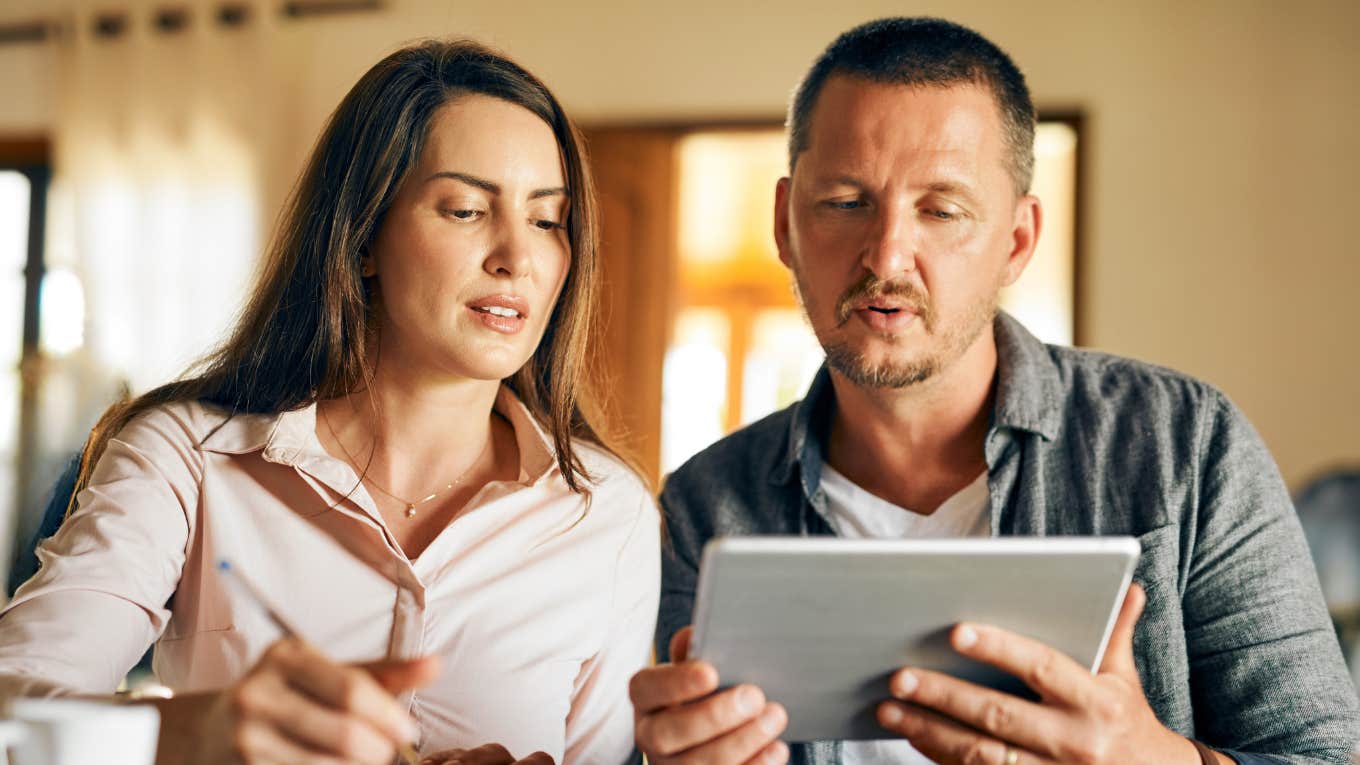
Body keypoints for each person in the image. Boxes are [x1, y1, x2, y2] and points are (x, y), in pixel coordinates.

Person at [629, 17, 1360, 765]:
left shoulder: (1190, 443)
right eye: (846, 202)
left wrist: (1153, 759)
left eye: (941, 210)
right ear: (786, 223)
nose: (886, 254)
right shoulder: (703, 505)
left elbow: (1325, 754)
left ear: (1016, 241)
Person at [0, 39, 659, 765]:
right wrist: (191, 734)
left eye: (547, 220)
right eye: (467, 210)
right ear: (364, 235)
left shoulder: (609, 514)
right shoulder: (187, 458)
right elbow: (12, 708)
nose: (517, 256)